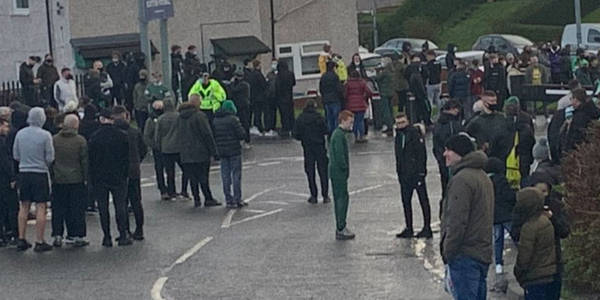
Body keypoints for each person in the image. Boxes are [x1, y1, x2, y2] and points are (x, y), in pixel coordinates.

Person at [441, 134, 494, 300]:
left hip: (464, 254)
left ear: (459, 153)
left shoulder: (462, 180)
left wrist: (448, 250)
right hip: (481, 251)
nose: (445, 154)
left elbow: (457, 221)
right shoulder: (482, 176)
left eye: (448, 150)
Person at [13, 107, 55, 252]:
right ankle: (39, 239)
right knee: (41, 206)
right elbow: (50, 157)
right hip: (39, 172)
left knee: (24, 206)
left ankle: (21, 238)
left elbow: (16, 155)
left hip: (24, 172)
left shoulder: (20, 134)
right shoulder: (45, 135)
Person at [88, 109, 131, 247]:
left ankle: (107, 236)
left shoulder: (94, 137)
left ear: (101, 119)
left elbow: (91, 159)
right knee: (120, 205)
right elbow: (126, 157)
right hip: (118, 175)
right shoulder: (122, 136)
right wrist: (125, 173)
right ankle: (123, 234)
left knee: (103, 207)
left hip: (100, 177)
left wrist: (91, 176)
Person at [168, 101, 220, 207]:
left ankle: (197, 199)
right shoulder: (199, 116)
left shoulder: (179, 118)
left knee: (192, 177)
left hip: (185, 152)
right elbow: (207, 134)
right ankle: (208, 198)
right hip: (201, 151)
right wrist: (214, 151)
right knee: (203, 176)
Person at [512, 188, 559, 300]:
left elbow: (525, 255)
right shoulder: (545, 220)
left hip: (534, 276)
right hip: (549, 273)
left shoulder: (529, 227)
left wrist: (518, 271)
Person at [50, 114, 89, 248]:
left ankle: (57, 234)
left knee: (58, 208)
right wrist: (86, 178)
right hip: (76, 178)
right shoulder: (80, 141)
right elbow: (84, 161)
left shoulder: (54, 140)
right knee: (76, 208)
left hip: (58, 178)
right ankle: (76, 235)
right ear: (76, 125)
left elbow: (51, 159)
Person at [394, 113, 431, 239]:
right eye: (398, 123)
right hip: (404, 175)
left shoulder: (414, 134)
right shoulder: (399, 136)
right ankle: (409, 227)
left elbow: (421, 154)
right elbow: (398, 156)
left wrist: (421, 172)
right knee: (406, 201)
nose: (400, 125)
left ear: (408, 122)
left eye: (402, 122)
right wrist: (399, 172)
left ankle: (427, 227)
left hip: (416, 173)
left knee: (423, 200)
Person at [112, 106, 146, 240]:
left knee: (121, 203)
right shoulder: (134, 132)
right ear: (126, 116)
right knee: (136, 201)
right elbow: (143, 149)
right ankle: (139, 230)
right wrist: (137, 161)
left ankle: (124, 230)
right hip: (133, 170)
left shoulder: (113, 133)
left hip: (118, 172)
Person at [484, 157, 516, 283]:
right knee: (515, 235)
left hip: (494, 215)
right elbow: (508, 196)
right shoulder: (501, 180)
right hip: (505, 214)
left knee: (497, 239)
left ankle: (498, 264)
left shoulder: (485, 181)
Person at [293, 100, 330, 204]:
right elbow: (326, 130)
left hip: (307, 147)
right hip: (319, 146)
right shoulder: (319, 118)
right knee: (323, 171)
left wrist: (303, 138)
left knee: (310, 171)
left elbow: (295, 134)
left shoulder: (301, 118)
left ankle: (313, 195)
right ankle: (325, 195)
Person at [213, 100, 246, 209]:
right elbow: (241, 134)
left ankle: (228, 198)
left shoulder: (216, 120)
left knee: (225, 175)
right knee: (236, 174)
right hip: (234, 150)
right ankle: (237, 198)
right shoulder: (233, 120)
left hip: (222, 151)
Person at [466, 91, 513, 162]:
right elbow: (467, 136)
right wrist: (479, 146)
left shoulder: (502, 118)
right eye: (492, 101)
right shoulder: (476, 121)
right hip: (484, 158)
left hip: (501, 157)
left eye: (495, 101)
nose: (494, 103)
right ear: (484, 103)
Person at [329, 110, 355, 240]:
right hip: (338, 172)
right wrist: (345, 167)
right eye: (350, 122)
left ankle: (341, 226)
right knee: (341, 199)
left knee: (341, 197)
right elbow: (339, 155)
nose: (351, 125)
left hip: (336, 172)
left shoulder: (337, 134)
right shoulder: (339, 136)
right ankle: (341, 226)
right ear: (343, 121)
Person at [155, 100, 188, 200]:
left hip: (166, 148)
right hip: (179, 147)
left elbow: (157, 135)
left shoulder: (160, 119)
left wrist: (158, 146)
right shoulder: (179, 117)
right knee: (185, 170)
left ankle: (171, 191)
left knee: (170, 172)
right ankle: (184, 190)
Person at [432, 100, 463, 199]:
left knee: (446, 190)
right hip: (452, 162)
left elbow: (436, 146)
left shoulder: (439, 124)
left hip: (444, 161)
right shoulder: (452, 124)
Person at [504, 96, 535, 188]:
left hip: (508, 160)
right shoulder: (527, 121)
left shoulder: (503, 122)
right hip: (524, 159)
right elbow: (531, 140)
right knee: (524, 182)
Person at [560, 88, 600, 155]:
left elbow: (576, 136)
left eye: (571, 99)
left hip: (578, 152)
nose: (571, 101)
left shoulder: (579, 116)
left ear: (576, 99)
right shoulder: (591, 111)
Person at [143, 100, 168, 200]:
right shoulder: (150, 121)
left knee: (169, 169)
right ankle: (163, 189)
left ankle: (170, 189)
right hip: (158, 148)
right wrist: (154, 145)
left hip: (167, 147)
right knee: (159, 168)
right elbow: (147, 136)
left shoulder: (166, 118)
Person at [0, 117, 16, 247]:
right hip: (4, 179)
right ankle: (11, 233)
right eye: (5, 126)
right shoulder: (2, 143)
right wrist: (12, 177)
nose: (7, 129)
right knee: (8, 205)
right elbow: (6, 162)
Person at [344, 70, 372, 143]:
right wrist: (364, 97)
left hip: (351, 105)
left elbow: (345, 94)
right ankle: (361, 136)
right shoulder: (362, 82)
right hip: (361, 104)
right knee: (360, 121)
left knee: (354, 121)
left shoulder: (348, 83)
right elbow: (369, 92)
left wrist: (347, 100)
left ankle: (356, 136)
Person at [405, 55, 432, 125]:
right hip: (420, 93)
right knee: (425, 107)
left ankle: (419, 119)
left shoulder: (412, 71)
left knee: (419, 108)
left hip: (416, 92)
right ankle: (425, 120)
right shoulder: (416, 74)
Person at [229, 70, 252, 147]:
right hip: (240, 106)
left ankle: (246, 140)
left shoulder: (243, 84)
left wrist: (231, 83)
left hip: (243, 106)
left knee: (244, 123)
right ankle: (243, 139)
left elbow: (233, 90)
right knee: (241, 123)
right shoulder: (243, 84)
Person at [245, 60, 268, 136]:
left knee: (253, 113)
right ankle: (259, 127)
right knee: (258, 113)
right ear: (258, 66)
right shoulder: (259, 75)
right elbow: (263, 85)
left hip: (252, 96)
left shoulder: (251, 74)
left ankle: (253, 126)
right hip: (259, 97)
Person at [320, 61, 344, 134]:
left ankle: (330, 132)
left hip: (326, 100)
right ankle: (336, 132)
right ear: (333, 68)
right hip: (335, 99)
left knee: (329, 117)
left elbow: (321, 89)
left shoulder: (323, 76)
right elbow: (339, 89)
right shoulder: (335, 76)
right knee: (336, 117)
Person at [275, 61, 296, 138]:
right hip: (289, 96)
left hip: (281, 98)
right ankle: (292, 127)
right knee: (290, 113)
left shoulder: (279, 75)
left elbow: (277, 87)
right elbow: (294, 83)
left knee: (284, 114)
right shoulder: (290, 74)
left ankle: (285, 129)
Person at [374, 58, 395, 134]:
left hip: (384, 93)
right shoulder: (392, 70)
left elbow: (377, 78)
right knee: (390, 109)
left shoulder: (385, 72)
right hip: (391, 92)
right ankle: (391, 124)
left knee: (385, 110)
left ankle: (389, 126)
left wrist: (377, 72)